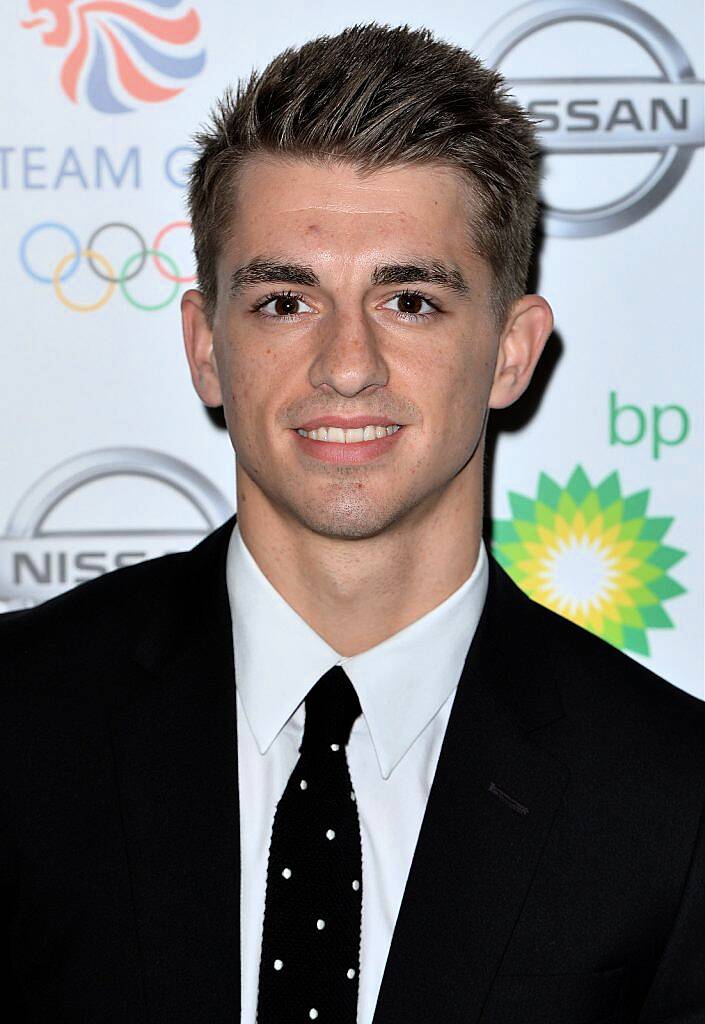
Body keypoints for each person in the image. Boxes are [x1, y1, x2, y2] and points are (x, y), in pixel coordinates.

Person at [2, 20, 702, 1024]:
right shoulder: (23, 728)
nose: (346, 364)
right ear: (207, 346)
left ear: (511, 350)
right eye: (286, 301)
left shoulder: (669, 804)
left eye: (411, 300)